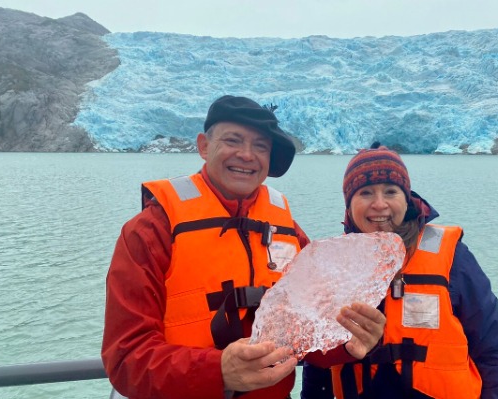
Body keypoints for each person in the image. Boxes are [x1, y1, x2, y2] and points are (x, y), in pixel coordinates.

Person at [101, 95, 386, 399]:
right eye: (233, 140)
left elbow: (308, 339)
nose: (247, 155)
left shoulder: (287, 229)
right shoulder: (151, 231)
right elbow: (125, 359)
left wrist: (348, 344)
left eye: (261, 146)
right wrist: (218, 371)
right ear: (204, 146)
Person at [301, 142, 498, 399]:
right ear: (349, 206)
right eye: (365, 193)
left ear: (406, 200)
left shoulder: (453, 258)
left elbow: (494, 351)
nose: (379, 204)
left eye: (391, 191)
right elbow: (318, 363)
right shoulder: (333, 265)